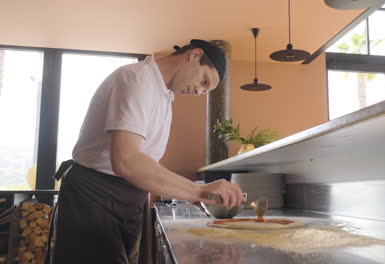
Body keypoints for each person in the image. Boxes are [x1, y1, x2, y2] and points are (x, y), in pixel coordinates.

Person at [44, 39, 244, 264]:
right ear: (194, 55)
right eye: (204, 81)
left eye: (205, 90)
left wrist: (187, 194)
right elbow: (126, 161)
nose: (199, 91)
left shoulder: (165, 97)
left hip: (127, 202)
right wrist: (197, 192)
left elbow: (145, 162)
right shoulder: (136, 79)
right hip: (94, 198)